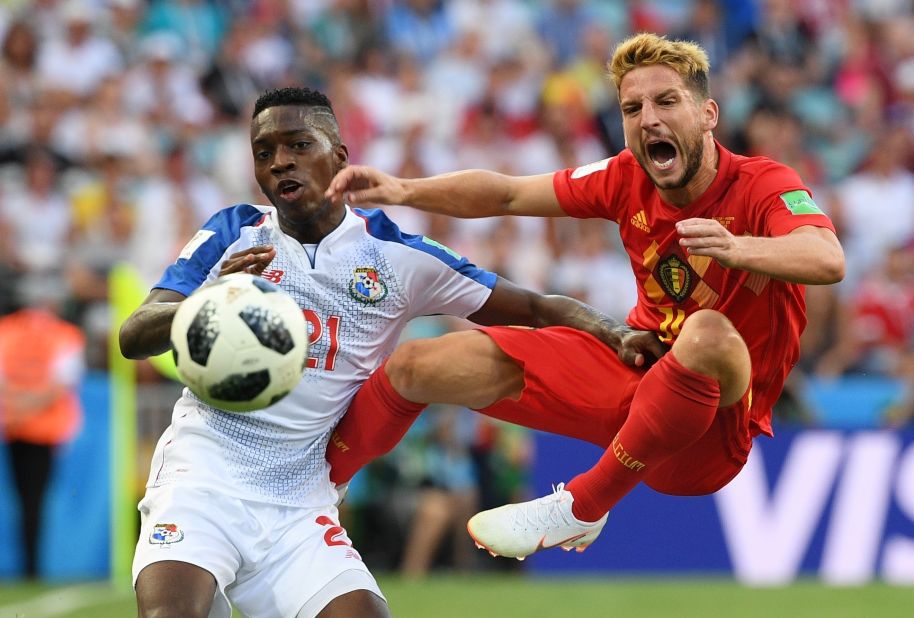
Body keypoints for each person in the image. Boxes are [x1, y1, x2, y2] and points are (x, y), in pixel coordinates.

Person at [323, 32, 846, 560]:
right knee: (418, 363)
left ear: (708, 113)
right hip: (637, 374)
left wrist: (739, 248)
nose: (649, 119)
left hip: (711, 429)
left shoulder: (762, 184)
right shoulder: (623, 175)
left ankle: (581, 506)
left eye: (667, 101)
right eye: (632, 108)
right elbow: (508, 192)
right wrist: (405, 190)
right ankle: (316, 490)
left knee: (706, 333)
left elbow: (827, 258)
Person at [119, 86, 633, 617]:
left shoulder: (395, 257)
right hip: (201, 476)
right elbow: (134, 334)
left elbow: (534, 307)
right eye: (264, 152)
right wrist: (208, 304)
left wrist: (614, 332)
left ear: (340, 156)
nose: (280, 163)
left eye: (298, 144)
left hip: (301, 499)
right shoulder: (232, 231)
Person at [0, 281, 86, 578]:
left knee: (22, 501)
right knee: (35, 501)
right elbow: (61, 385)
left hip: (13, 427)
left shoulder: (6, 330)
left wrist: (16, 408)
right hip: (47, 430)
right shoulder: (65, 334)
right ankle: (32, 569)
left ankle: (29, 567)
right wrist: (30, 406)